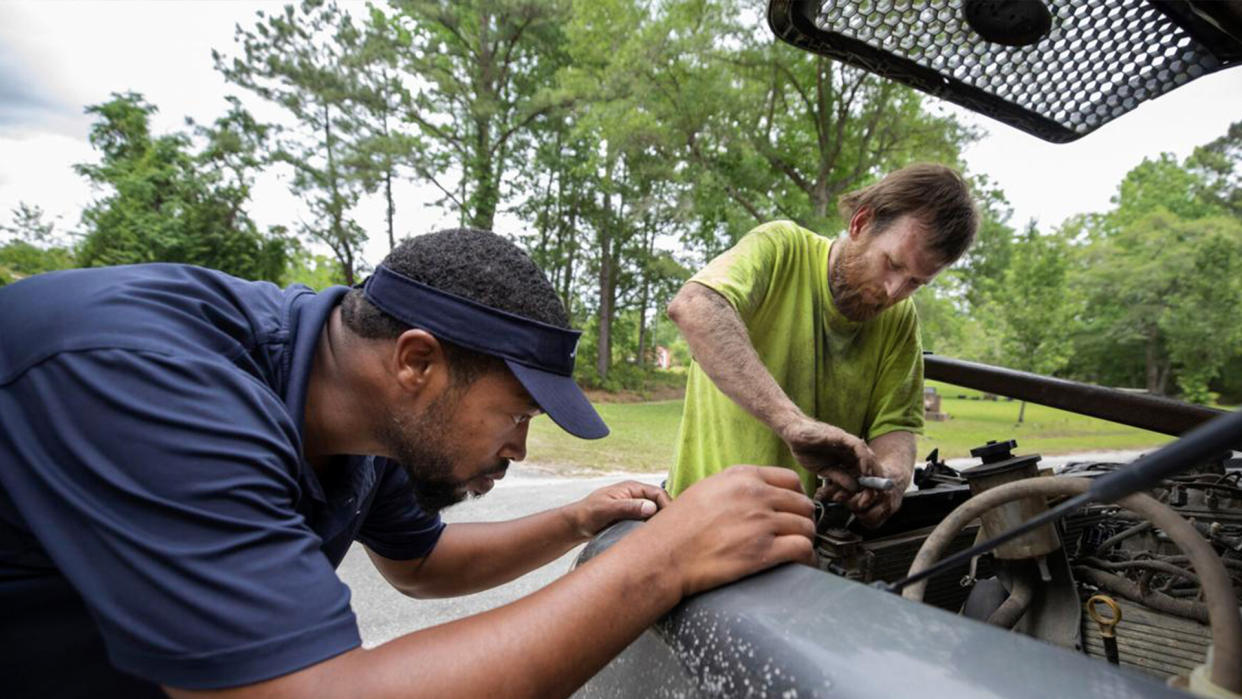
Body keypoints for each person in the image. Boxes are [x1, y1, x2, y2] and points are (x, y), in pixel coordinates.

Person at [0, 228, 816, 698]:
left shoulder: (359, 401)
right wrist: (660, 563)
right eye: (518, 414)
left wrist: (585, 514)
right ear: (417, 362)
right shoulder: (150, 381)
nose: (520, 448)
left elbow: (422, 563)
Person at [664, 163, 978, 527]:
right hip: (695, 522)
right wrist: (792, 424)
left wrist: (886, 482)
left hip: (798, 538)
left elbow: (896, 428)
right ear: (861, 223)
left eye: (915, 283)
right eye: (892, 263)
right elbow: (694, 306)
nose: (894, 291)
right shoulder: (780, 249)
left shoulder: (900, 320)